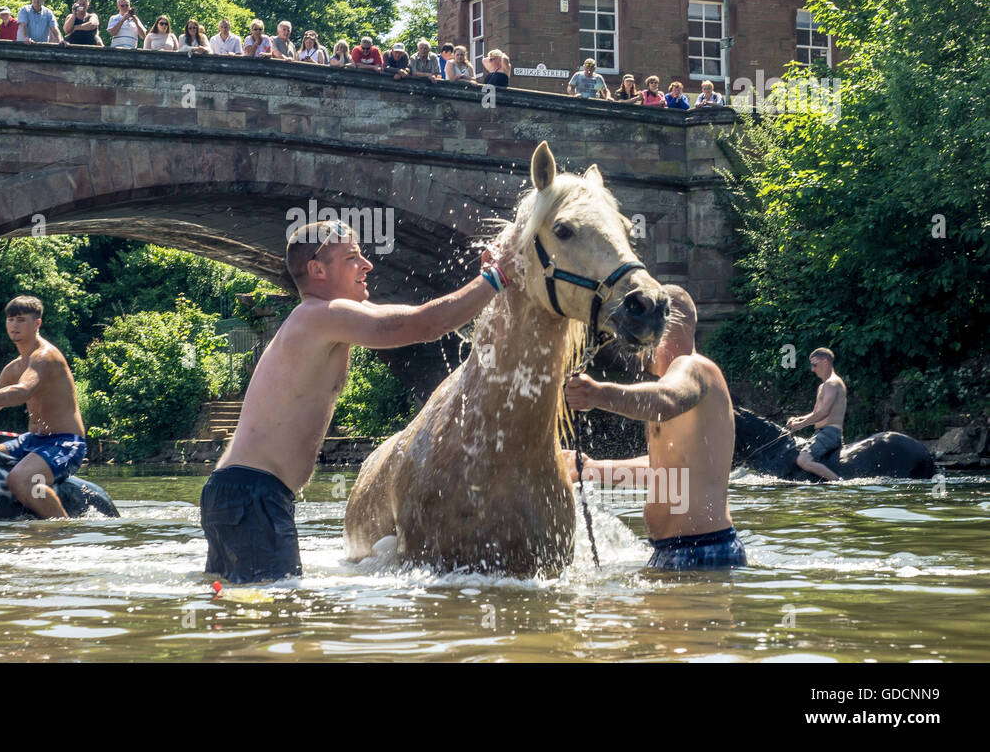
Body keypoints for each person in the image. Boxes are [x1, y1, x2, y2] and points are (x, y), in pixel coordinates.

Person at [201, 220, 516, 583]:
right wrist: (496, 277)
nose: (367, 265)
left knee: (244, 612)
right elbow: (423, 324)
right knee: (276, 618)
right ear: (317, 269)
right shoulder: (322, 315)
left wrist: (484, 287)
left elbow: (434, 319)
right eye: (352, 257)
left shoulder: (322, 319)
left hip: (242, 492)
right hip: (253, 495)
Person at [563, 286, 748, 570]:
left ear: (663, 323)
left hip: (701, 551)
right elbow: (665, 473)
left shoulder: (693, 367)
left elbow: (667, 400)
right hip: (679, 552)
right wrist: (591, 468)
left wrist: (598, 394)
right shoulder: (673, 380)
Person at [0, 296, 88, 519]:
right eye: (11, 319)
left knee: (19, 479)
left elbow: (23, 392)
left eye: (21, 320)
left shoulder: (45, 356)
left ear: (37, 324)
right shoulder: (12, 368)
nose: (14, 325)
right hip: (31, 440)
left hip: (65, 442)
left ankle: (62, 529)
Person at [787, 348, 847, 482]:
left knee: (803, 460)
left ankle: (838, 483)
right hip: (821, 432)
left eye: (815, 365)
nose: (812, 369)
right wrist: (798, 419)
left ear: (825, 362)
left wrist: (800, 425)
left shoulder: (832, 383)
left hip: (830, 432)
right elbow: (815, 413)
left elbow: (825, 412)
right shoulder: (823, 386)